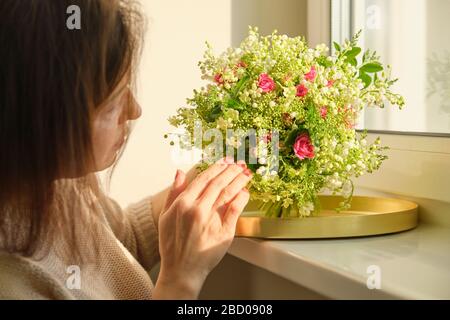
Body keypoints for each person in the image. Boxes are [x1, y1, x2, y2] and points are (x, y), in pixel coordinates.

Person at [0, 0, 252, 299]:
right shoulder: (11, 280)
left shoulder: (63, 188)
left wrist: (207, 180)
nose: (134, 111)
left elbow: (123, 243)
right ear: (46, 116)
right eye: (114, 102)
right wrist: (181, 279)